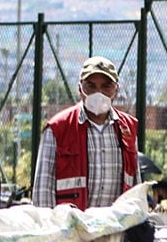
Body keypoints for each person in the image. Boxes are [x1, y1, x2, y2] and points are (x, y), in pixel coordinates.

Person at [33, 56, 138, 209]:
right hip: (71, 229)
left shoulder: (127, 129)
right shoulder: (58, 129)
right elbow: (43, 193)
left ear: (116, 90)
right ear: (80, 89)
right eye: (91, 86)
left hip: (115, 229)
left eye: (106, 87)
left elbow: (135, 189)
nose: (99, 93)